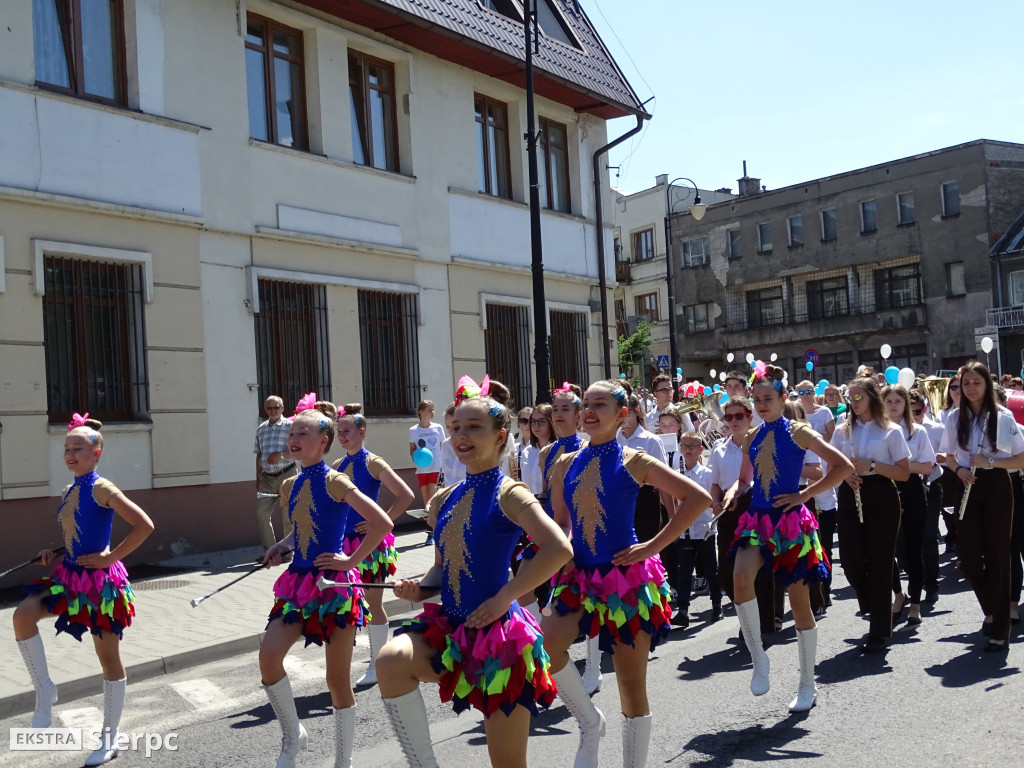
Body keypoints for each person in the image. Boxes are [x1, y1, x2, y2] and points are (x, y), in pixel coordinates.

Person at [375, 386, 573, 768]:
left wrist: (504, 598)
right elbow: (440, 567)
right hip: (450, 626)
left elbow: (558, 549)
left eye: (474, 427)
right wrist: (419, 588)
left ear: (500, 437)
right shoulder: (445, 498)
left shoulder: (510, 493)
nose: (461, 437)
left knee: (508, 763)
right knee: (391, 659)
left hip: (499, 636)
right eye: (457, 427)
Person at [541, 379, 712, 768]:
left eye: (599, 404)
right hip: (579, 578)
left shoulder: (635, 459)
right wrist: (564, 548)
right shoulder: (564, 462)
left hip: (626, 579)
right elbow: (561, 521)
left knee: (630, 687)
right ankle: (589, 722)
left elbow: (697, 498)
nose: (588, 411)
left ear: (623, 414)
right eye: (585, 403)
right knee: (546, 645)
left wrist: (652, 547)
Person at [260, 395, 393, 768]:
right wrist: (281, 548)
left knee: (337, 681)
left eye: (304, 431)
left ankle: (342, 762)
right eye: (293, 431)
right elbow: (297, 534)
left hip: (333, 587)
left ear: (324, 441)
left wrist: (351, 560)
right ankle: (292, 735)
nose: (295, 437)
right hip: (297, 583)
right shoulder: (292, 484)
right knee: (269, 658)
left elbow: (382, 522)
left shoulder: (337, 481)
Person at [15, 415, 154, 766]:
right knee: (23, 615)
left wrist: (112, 557)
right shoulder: (69, 490)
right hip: (69, 576)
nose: (70, 454)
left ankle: (109, 738)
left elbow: (144, 524)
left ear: (97, 453)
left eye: (78, 448)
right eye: (67, 449)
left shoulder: (102, 488)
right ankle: (45, 689)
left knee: (108, 659)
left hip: (102, 585)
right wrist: (54, 552)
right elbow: (77, 536)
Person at [722, 365, 852, 712]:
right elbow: (746, 479)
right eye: (757, 399)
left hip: (791, 522)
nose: (761, 404)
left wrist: (805, 494)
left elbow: (841, 467)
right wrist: (734, 490)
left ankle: (807, 683)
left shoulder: (800, 431)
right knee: (740, 577)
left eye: (768, 398)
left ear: (783, 398)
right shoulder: (752, 436)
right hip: (758, 519)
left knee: (799, 604)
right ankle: (758, 656)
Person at [940, 361, 1024, 651]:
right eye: (966, 383)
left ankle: (1000, 628)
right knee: (969, 556)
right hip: (966, 485)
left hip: (997, 485)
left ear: (986, 384)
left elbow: (1020, 458)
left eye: (976, 382)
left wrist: (991, 462)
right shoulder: (954, 418)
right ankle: (992, 608)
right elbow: (949, 456)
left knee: (999, 555)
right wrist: (958, 470)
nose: (971, 387)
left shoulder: (1002, 416)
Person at [331, 403, 416, 687]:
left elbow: (404, 495)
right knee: (349, 603)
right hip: (343, 544)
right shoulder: (337, 467)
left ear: (361, 432)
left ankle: (378, 664)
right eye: (338, 431)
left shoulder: (373, 462)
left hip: (371, 542)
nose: (342, 436)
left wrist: (381, 520)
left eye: (347, 431)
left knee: (373, 602)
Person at [829, 376, 911, 654]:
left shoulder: (890, 430)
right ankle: (875, 605)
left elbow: (903, 472)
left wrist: (872, 465)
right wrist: (845, 474)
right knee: (851, 562)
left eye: (858, 397)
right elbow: (831, 466)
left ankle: (879, 629)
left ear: (871, 398)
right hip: (850, 493)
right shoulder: (841, 431)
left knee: (880, 563)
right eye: (849, 397)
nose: (853, 402)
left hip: (881, 494)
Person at [882, 385, 936, 627]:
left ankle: (915, 602)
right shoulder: (876, 431)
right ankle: (898, 594)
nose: (893, 405)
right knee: (887, 549)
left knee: (913, 548)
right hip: (883, 490)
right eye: (889, 401)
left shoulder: (918, 432)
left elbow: (927, 467)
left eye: (898, 401)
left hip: (912, 490)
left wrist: (901, 467)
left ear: (905, 405)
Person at [674, 431, 722, 627]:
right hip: (685, 531)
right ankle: (683, 611)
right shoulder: (676, 475)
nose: (687, 450)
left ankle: (716, 605)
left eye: (692, 446)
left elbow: (713, 502)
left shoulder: (708, 474)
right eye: (684, 446)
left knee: (711, 570)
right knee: (684, 572)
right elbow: (671, 501)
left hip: (704, 531)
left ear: (701, 450)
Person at [910, 388, 945, 604]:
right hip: (909, 486)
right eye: (910, 411)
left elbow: (952, 455)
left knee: (929, 536)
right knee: (906, 540)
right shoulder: (896, 429)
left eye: (918, 411)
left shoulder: (936, 429)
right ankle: (915, 578)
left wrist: (939, 458)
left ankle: (931, 583)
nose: (915, 416)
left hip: (932, 484)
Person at [255, 395, 297, 551]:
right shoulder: (261, 429)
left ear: (282, 408)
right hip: (267, 478)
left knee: (287, 515)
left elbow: (299, 452)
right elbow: (259, 454)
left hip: (287, 474)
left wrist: (280, 454)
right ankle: (271, 550)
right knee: (261, 513)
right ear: (265, 409)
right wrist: (258, 476)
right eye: (269, 408)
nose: (273, 411)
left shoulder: (291, 427)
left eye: (276, 407)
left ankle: (287, 551)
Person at [410, 400, 446, 545]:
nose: (433, 412)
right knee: (426, 502)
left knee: (432, 499)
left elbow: (444, 446)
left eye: (433, 409)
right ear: (421, 412)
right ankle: (432, 530)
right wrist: (416, 458)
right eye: (430, 409)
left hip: (437, 467)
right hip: (422, 470)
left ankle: (434, 533)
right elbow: (412, 449)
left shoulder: (438, 428)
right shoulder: (413, 430)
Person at [520, 403, 554, 496]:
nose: (536, 425)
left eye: (542, 421)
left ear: (551, 422)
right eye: (533, 421)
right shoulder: (526, 451)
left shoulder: (558, 450)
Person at [438, 402, 465, 490]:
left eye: (454, 427)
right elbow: (446, 475)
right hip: (451, 496)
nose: (451, 431)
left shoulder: (474, 445)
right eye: (447, 427)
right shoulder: (445, 445)